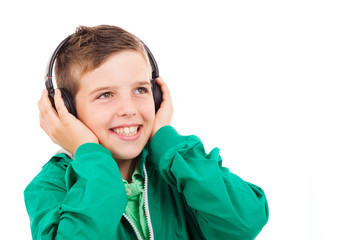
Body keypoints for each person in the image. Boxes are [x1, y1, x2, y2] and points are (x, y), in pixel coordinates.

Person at [24, 25, 269, 240]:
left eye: (140, 90)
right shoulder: (50, 187)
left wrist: (166, 141)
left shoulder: (179, 169)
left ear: (157, 96)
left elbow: (244, 223)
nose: (128, 109)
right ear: (66, 109)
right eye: (105, 95)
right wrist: (91, 157)